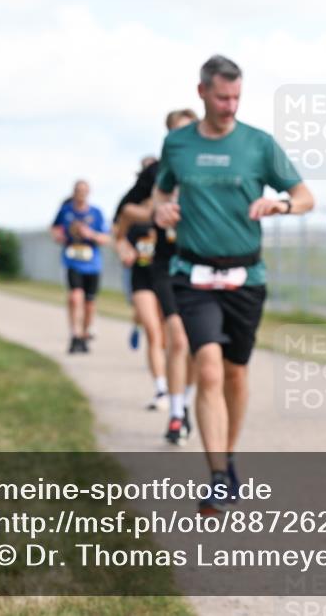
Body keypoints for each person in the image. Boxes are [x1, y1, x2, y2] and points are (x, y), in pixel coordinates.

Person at [153, 55, 314, 512]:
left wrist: (279, 205)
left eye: (237, 97)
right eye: (222, 97)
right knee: (207, 367)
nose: (230, 106)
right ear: (201, 92)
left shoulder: (259, 144)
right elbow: (161, 191)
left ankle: (229, 452)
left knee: (235, 373)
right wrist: (162, 209)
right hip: (192, 274)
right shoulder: (177, 144)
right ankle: (218, 474)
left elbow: (305, 197)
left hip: (247, 276)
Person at [116, 108, 200, 445]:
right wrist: (124, 239)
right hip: (162, 263)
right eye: (177, 132)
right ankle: (175, 411)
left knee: (196, 345)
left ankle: (187, 401)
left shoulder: (212, 165)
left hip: (201, 262)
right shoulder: (156, 171)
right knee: (172, 336)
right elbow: (125, 211)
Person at [115, 159, 169, 409]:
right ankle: (160, 389)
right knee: (153, 330)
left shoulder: (173, 210)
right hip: (142, 275)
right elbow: (118, 235)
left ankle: (173, 383)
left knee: (168, 336)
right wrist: (124, 247)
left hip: (167, 277)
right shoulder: (133, 212)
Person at [51, 181, 111, 354]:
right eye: (78, 191)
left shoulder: (96, 213)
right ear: (74, 192)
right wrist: (58, 236)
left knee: (89, 303)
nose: (81, 194)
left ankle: (84, 335)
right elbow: (54, 228)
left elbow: (106, 239)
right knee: (74, 297)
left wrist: (90, 234)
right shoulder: (66, 211)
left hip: (92, 264)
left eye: (84, 191)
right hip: (72, 261)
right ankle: (74, 334)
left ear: (89, 193)